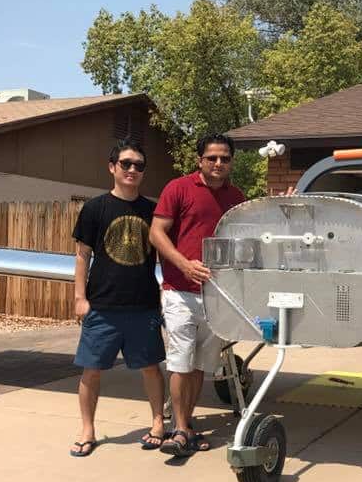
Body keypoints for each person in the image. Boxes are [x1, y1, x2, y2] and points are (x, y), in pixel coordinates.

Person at [149, 133, 247, 458]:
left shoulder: (237, 198)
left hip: (217, 296)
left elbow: (253, 235)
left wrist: (283, 205)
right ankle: (179, 430)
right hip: (179, 291)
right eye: (212, 158)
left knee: (201, 365)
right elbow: (156, 233)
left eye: (225, 158)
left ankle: (186, 424)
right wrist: (182, 264)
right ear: (200, 160)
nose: (218, 163)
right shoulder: (178, 188)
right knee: (180, 360)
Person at [70, 140, 166, 457]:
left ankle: (157, 424)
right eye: (126, 164)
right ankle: (87, 429)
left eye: (139, 165)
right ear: (112, 167)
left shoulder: (154, 211)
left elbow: (165, 256)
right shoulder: (95, 208)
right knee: (91, 370)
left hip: (143, 306)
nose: (133, 170)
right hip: (102, 306)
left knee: (151, 368)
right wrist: (80, 298)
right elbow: (82, 255)